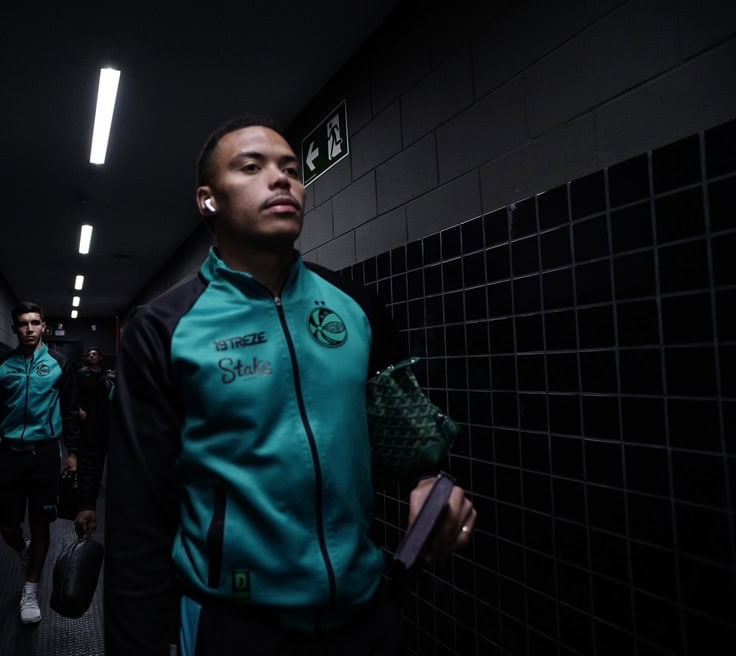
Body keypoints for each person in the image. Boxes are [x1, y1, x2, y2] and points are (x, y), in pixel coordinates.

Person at [103, 115, 477, 655]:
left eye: (291, 170)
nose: (281, 180)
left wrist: (428, 483)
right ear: (208, 201)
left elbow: (409, 439)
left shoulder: (355, 308)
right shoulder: (164, 329)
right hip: (233, 625)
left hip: (364, 617)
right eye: (251, 167)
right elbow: (138, 513)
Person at [0, 301, 99, 625]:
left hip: (44, 454)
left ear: (44, 326)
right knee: (8, 525)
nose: (29, 329)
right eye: (23, 324)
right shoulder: (4, 366)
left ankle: (30, 588)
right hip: (11, 453)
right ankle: (25, 552)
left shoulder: (59, 365)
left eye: (35, 322)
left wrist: (72, 452)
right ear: (15, 328)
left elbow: (70, 411)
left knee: (41, 523)